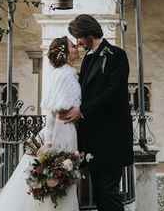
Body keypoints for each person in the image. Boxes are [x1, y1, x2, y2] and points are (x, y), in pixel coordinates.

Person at [0, 36, 81, 211]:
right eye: (73, 46)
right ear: (66, 53)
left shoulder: (57, 73)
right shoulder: (67, 74)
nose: (77, 48)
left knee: (58, 178)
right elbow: (61, 109)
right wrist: (78, 112)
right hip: (64, 132)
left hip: (57, 130)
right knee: (63, 176)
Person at [60, 14, 134, 211]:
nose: (78, 42)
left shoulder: (116, 55)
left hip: (112, 137)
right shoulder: (87, 59)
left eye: (79, 37)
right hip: (93, 139)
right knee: (100, 193)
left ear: (88, 33)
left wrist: (82, 111)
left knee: (109, 191)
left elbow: (113, 92)